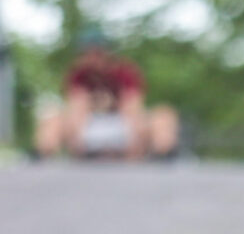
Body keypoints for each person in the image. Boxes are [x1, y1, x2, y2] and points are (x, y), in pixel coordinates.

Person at [38, 33, 180, 159]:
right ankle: (43, 156)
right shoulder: (79, 75)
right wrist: (77, 142)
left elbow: (132, 107)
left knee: (164, 114)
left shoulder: (125, 72)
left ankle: (164, 155)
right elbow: (77, 107)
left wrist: (135, 141)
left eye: (96, 53)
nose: (92, 58)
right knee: (51, 114)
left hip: (122, 125)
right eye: (87, 53)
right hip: (88, 127)